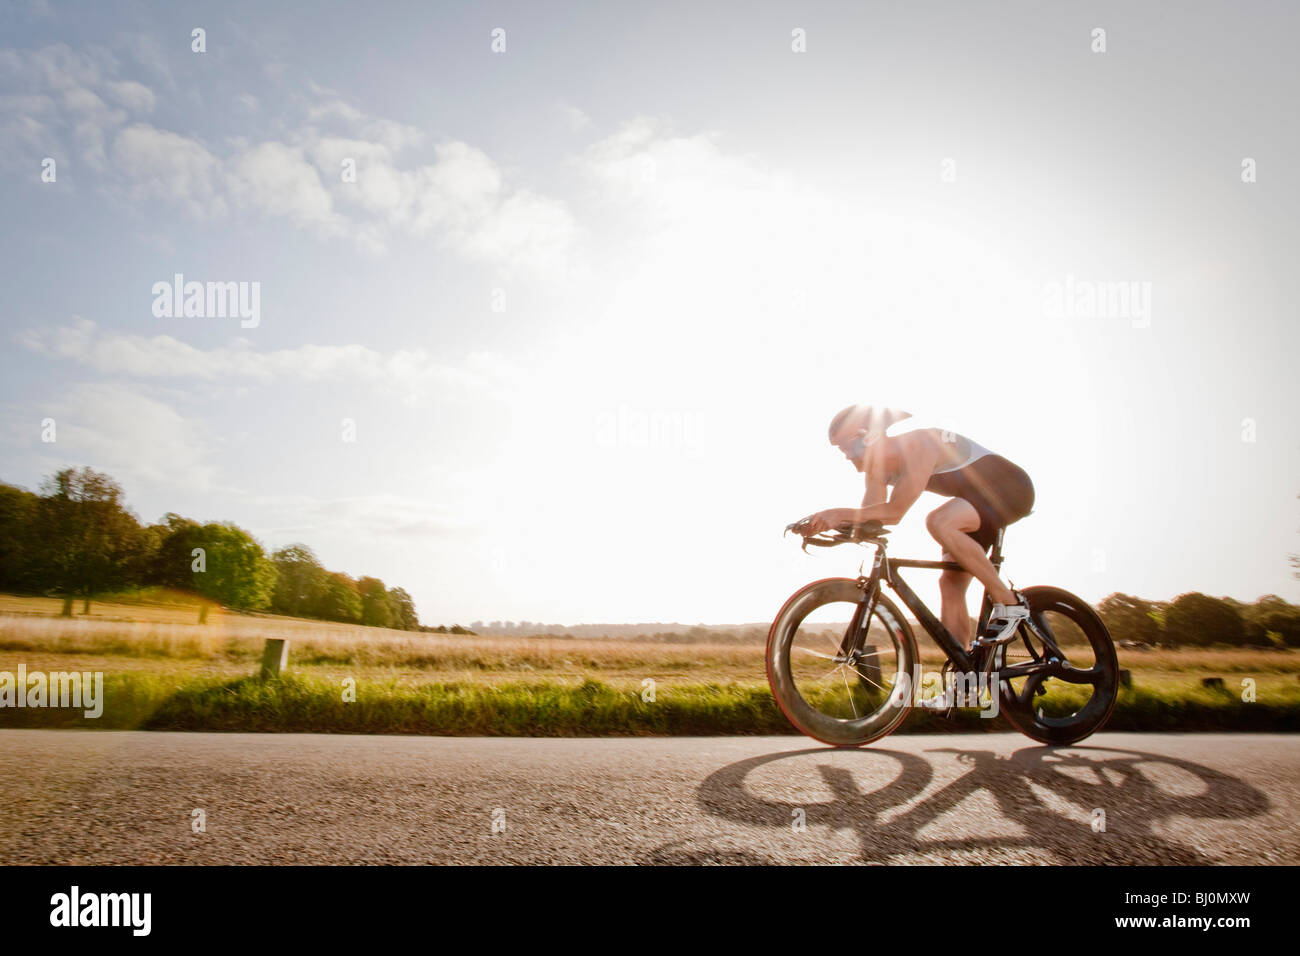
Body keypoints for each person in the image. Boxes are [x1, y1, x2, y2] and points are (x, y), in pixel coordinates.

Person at [803, 404, 1035, 649]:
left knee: (938, 522)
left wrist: (837, 514)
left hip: (1010, 488)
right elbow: (871, 519)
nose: (847, 456)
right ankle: (964, 679)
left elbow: (894, 512)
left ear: (869, 436)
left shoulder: (920, 444)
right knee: (950, 585)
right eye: (842, 451)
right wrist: (823, 525)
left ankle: (1009, 603)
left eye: (849, 446)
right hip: (974, 504)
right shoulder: (876, 471)